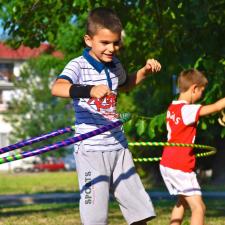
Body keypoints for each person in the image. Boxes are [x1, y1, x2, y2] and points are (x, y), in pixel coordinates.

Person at [51, 7, 161, 225]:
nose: (112, 48)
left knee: (139, 210)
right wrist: (89, 89)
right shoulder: (78, 65)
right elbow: (58, 87)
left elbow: (126, 85)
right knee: (96, 216)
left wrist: (143, 72)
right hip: (91, 149)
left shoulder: (114, 65)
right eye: (105, 43)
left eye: (116, 43)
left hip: (118, 147)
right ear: (89, 40)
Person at [160, 68, 225, 225]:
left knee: (182, 201)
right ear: (194, 88)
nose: (201, 95)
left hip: (167, 163)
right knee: (199, 207)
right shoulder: (187, 110)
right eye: (201, 91)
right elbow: (216, 106)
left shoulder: (172, 108)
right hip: (180, 165)